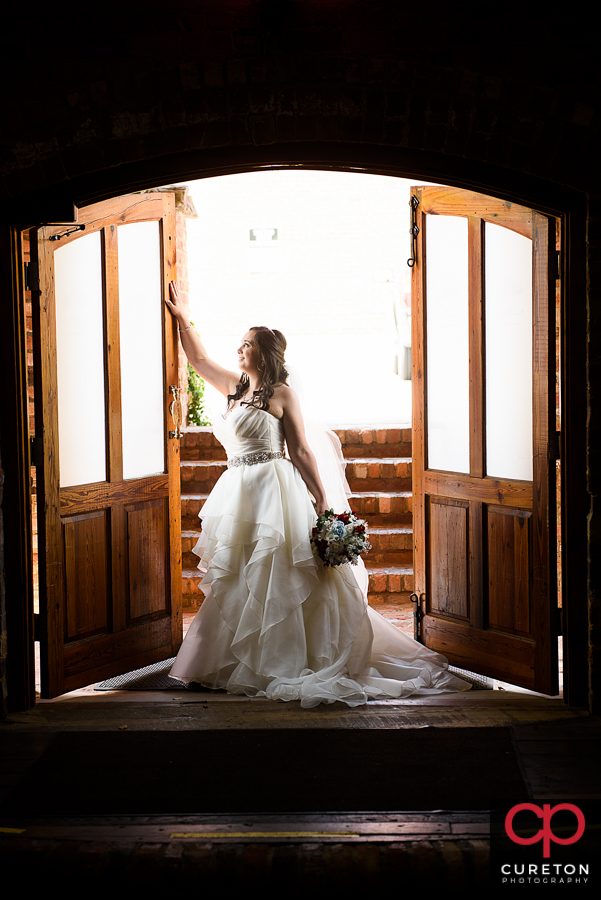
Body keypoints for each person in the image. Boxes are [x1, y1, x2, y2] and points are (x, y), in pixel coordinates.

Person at [166, 282, 471, 707]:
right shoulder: (235, 388)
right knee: (241, 576)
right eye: (239, 343)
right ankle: (227, 661)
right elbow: (197, 359)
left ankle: (293, 658)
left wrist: (322, 498)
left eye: (247, 345)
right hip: (237, 491)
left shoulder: (282, 395)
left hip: (275, 489)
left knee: (279, 572)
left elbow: (302, 449)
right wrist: (182, 317)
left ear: (265, 353)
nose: (239, 350)